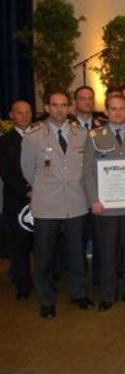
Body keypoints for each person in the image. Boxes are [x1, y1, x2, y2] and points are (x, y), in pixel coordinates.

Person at [21, 91, 92, 318]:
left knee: (76, 253)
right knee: (43, 256)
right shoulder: (33, 136)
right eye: (55, 105)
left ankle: (79, 293)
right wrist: (43, 188)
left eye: (64, 105)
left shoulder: (82, 134)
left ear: (69, 107)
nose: (60, 109)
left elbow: (87, 167)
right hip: (47, 204)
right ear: (47, 107)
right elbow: (28, 170)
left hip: (76, 202)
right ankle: (46, 300)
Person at [82, 94, 125, 312]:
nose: (118, 113)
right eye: (114, 109)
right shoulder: (94, 136)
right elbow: (88, 171)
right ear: (107, 112)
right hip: (105, 205)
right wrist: (93, 200)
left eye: (122, 109)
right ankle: (108, 295)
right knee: (107, 252)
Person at [0, 100, 33, 300]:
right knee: (19, 245)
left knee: (41, 244)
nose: (24, 116)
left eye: (28, 112)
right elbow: (6, 174)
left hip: (43, 198)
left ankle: (44, 280)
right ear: (11, 115)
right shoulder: (4, 142)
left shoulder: (41, 138)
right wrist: (27, 191)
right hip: (17, 201)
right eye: (19, 113)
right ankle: (22, 284)